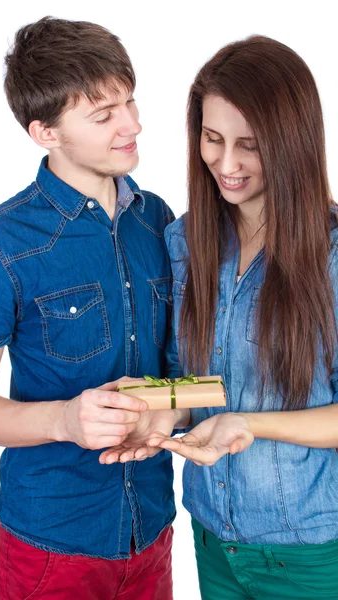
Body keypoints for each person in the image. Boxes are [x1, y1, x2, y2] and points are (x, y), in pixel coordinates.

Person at [0, 16, 188, 600]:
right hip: (51, 545)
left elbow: (180, 371)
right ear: (45, 132)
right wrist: (62, 421)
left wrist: (172, 410)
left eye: (130, 102)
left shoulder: (157, 219)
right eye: (103, 115)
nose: (132, 125)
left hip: (153, 529)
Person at [144, 35, 338, 599]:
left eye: (248, 145)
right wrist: (152, 405)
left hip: (309, 555)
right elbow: (198, 382)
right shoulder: (185, 240)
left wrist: (250, 424)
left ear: (291, 142)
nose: (225, 164)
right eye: (211, 138)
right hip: (212, 538)